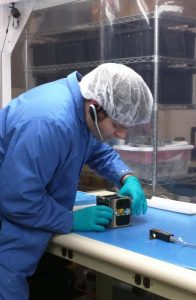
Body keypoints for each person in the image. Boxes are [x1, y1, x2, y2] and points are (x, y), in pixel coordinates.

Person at [0, 63, 153, 299]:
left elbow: (97, 150)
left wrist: (126, 176)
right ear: (95, 107)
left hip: (28, 211)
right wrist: (69, 219)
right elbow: (18, 198)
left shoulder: (80, 111)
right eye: (118, 126)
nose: (122, 135)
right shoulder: (48, 122)